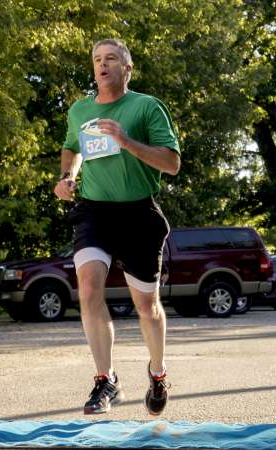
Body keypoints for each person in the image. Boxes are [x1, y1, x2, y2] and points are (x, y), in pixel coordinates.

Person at [54, 38, 180, 416]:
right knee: (89, 287)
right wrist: (67, 176)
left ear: (127, 68)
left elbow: (171, 163)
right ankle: (105, 379)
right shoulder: (80, 110)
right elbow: (72, 146)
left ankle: (157, 374)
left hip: (139, 214)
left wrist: (125, 141)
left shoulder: (145, 107)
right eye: (96, 59)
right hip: (94, 211)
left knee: (147, 306)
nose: (102, 64)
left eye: (111, 58)